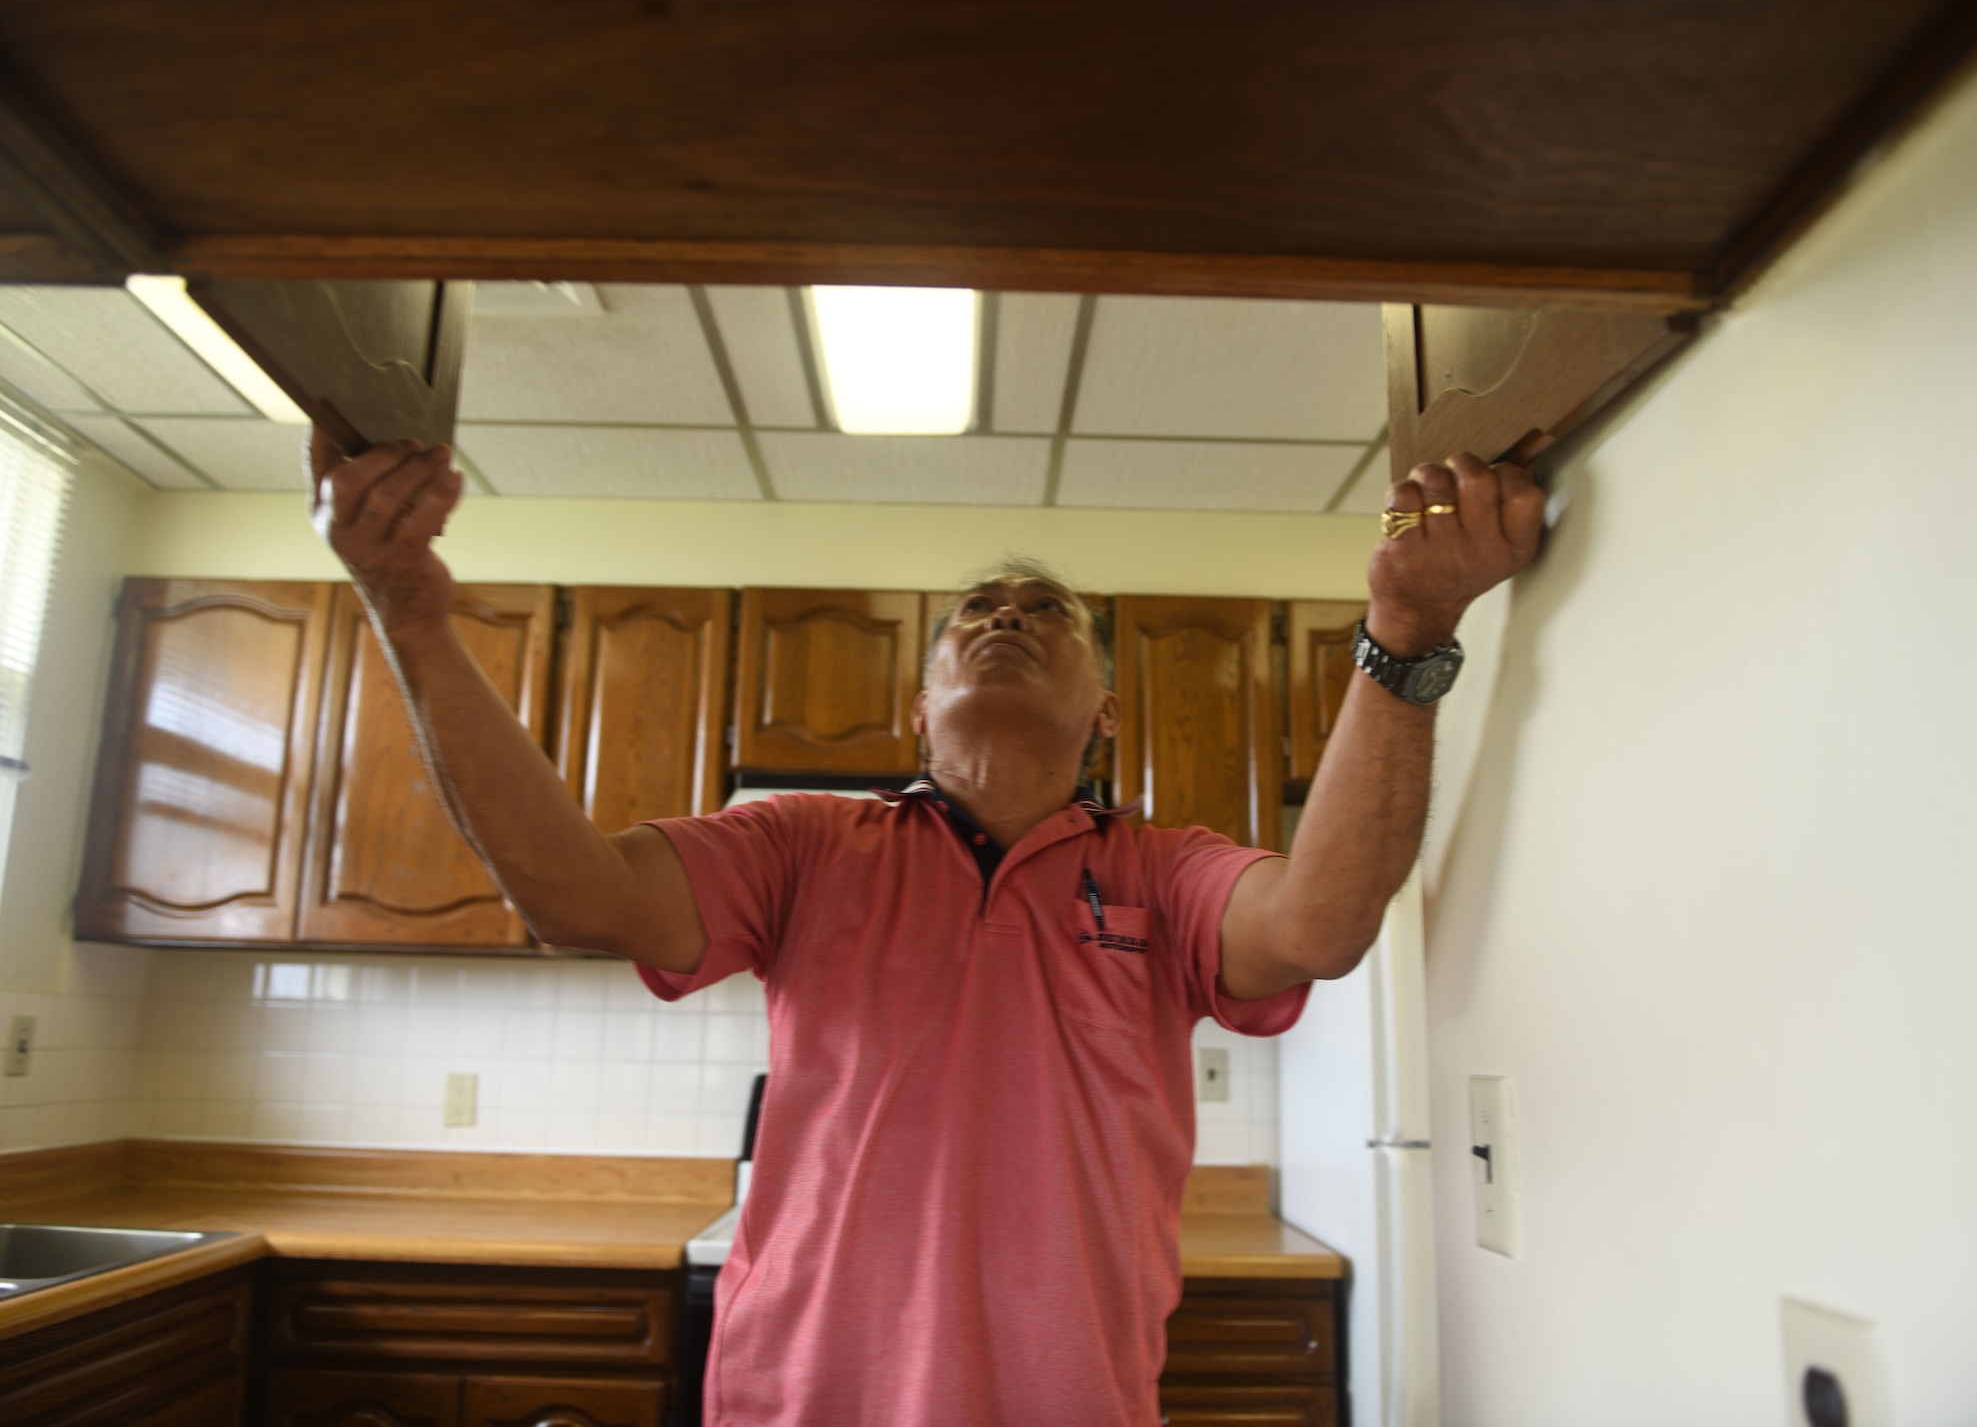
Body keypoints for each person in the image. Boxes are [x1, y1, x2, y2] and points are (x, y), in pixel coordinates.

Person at [307, 429, 1543, 1427]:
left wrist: (1406, 634)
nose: (1005, 614)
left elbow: (1320, 925)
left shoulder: (1166, 872)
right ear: (919, 705)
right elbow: (575, 895)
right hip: (798, 1398)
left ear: (1104, 713)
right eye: (975, 611)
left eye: (1044, 610)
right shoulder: (797, 844)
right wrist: (409, 610)